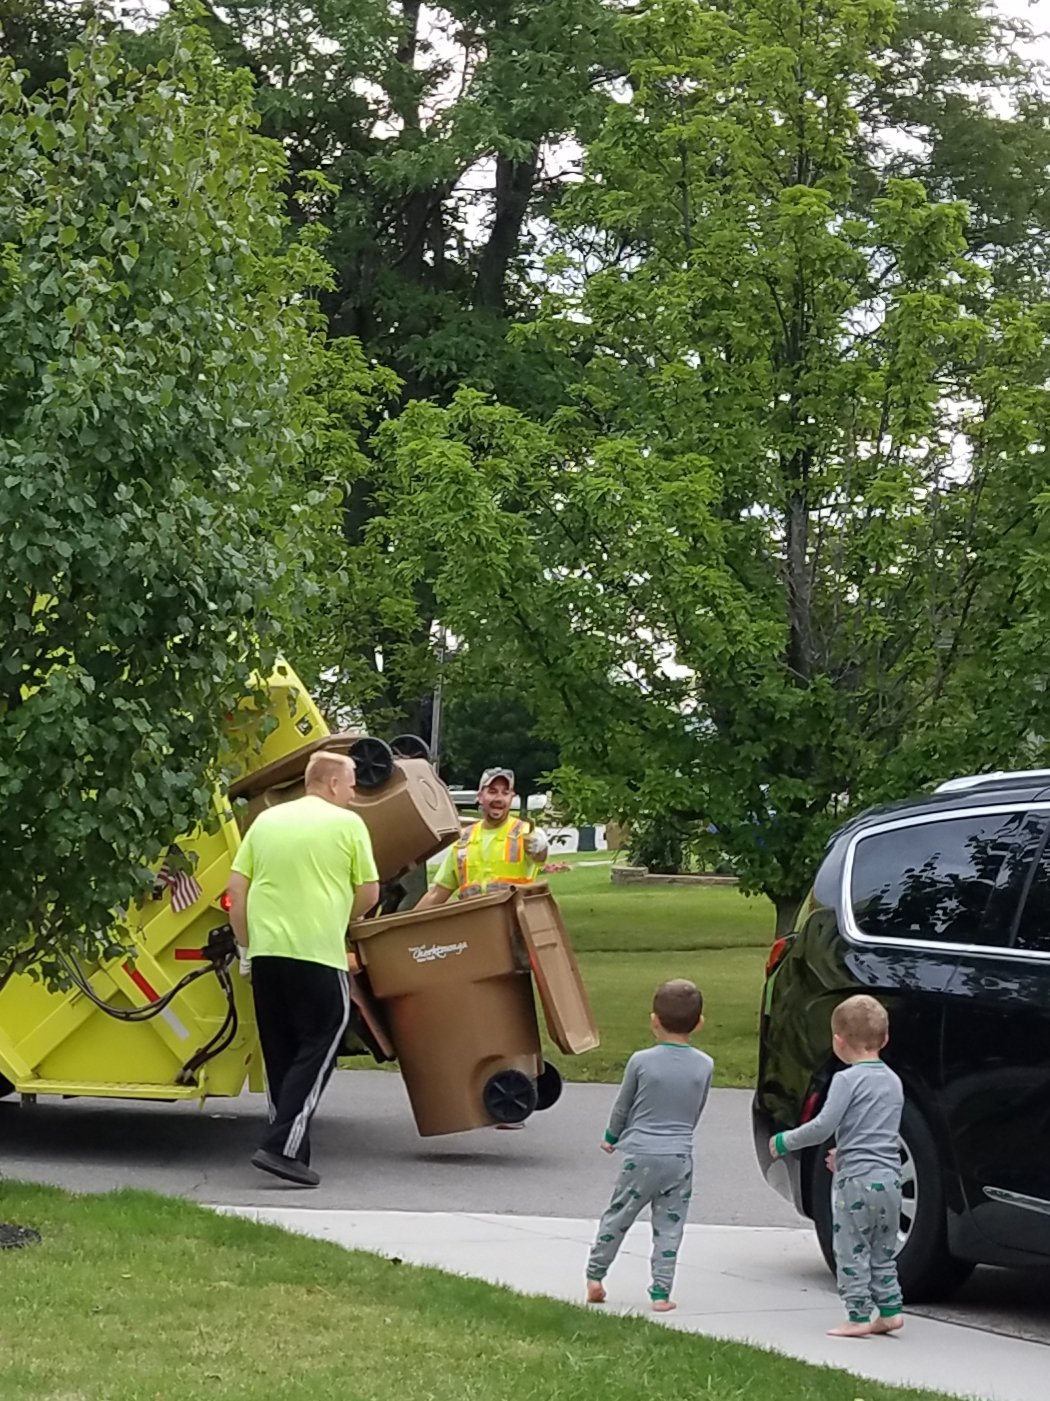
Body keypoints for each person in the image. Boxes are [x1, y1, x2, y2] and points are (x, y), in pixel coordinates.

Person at [227, 750, 379, 1188]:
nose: (354, 791)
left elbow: (237, 891)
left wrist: (246, 947)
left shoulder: (265, 822)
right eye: (351, 782)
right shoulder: (348, 824)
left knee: (281, 1051)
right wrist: (339, 916)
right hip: (317, 953)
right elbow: (369, 892)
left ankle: (291, 1148)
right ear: (331, 783)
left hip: (267, 955)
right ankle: (280, 1146)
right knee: (322, 1041)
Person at [769, 993, 905, 1338]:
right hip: (891, 1181)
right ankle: (890, 1310)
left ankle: (857, 1315)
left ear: (838, 1041)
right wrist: (842, 1155)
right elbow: (876, 1134)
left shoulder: (846, 1080)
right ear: (886, 1038)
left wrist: (785, 1140)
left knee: (851, 1250)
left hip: (855, 1183)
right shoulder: (893, 1080)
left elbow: (823, 1126)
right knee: (883, 1250)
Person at [585, 979, 713, 1312]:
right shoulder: (705, 1064)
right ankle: (661, 1293)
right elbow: (696, 1108)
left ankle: (596, 1276)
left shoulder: (640, 1061)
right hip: (679, 1156)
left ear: (654, 1020)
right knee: (670, 1225)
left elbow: (623, 1105)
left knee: (619, 1215)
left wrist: (612, 1136)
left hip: (640, 1155)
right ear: (699, 1023)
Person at [415, 767, 549, 909]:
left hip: (514, 920)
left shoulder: (525, 833)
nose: (499, 798)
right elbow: (437, 893)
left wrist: (541, 846)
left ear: (511, 797)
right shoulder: (463, 841)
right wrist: (407, 921)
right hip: (477, 921)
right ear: (479, 796)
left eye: (505, 793)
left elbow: (540, 855)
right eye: (492, 791)